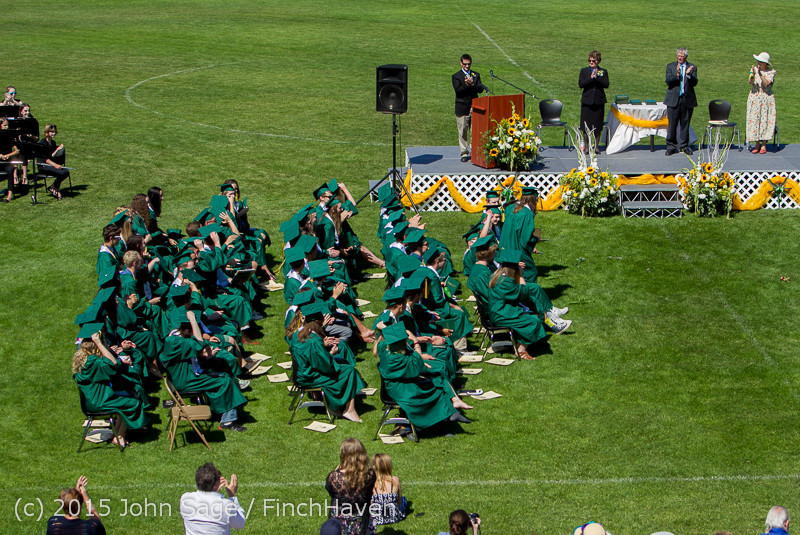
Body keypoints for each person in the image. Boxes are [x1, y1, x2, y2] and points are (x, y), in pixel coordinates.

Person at [325, 438, 377, 535]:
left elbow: (330, 491)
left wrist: (339, 468)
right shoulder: (370, 474)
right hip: (361, 521)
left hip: (338, 520)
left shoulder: (334, 477)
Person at [180, 462, 245, 535]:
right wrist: (232, 496)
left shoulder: (185, 499)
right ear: (216, 484)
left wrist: (213, 491)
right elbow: (240, 524)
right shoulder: (227, 506)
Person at [452, 54, 488, 162]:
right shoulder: (456, 76)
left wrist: (473, 84)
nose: (467, 66)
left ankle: (475, 151)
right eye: (465, 64)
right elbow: (458, 91)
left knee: (475, 130)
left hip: (474, 106)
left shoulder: (475, 75)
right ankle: (464, 152)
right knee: (462, 130)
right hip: (462, 106)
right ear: (461, 63)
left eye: (469, 64)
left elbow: (480, 89)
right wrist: (466, 85)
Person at [664, 47, 698, 156]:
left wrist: (688, 75)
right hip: (674, 99)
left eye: (682, 56)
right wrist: (677, 75)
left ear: (686, 57)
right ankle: (671, 146)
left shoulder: (692, 67)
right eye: (678, 55)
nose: (679, 57)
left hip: (687, 99)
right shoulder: (671, 66)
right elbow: (668, 81)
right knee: (672, 124)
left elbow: (694, 83)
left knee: (685, 124)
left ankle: (684, 146)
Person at [578, 50, 609, 154]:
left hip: (598, 101)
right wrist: (591, 78)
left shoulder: (603, 71)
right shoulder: (584, 71)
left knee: (597, 126)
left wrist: (597, 78)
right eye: (590, 60)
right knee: (585, 126)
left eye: (593, 61)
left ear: (598, 61)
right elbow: (581, 84)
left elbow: (606, 84)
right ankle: (586, 147)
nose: (591, 62)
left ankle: (596, 146)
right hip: (587, 101)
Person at [746, 52, 776, 154]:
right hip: (755, 97)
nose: (758, 63)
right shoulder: (754, 70)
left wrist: (760, 74)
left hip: (766, 97)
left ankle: (764, 144)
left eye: (761, 62)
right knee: (755, 119)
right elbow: (750, 82)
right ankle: (757, 144)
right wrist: (752, 75)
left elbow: (767, 83)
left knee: (765, 120)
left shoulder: (771, 72)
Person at [370, 453, 405, 529]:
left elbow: (369, 503)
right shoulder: (395, 480)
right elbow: (399, 502)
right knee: (404, 500)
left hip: (376, 519)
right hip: (394, 517)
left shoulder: (369, 481)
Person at [37, 123, 71, 199]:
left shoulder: (53, 143)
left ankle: (53, 187)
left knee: (66, 172)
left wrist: (57, 150)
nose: (53, 133)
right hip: (43, 166)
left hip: (50, 164)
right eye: (51, 132)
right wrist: (55, 165)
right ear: (47, 132)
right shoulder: (42, 143)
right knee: (61, 173)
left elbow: (51, 156)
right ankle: (55, 189)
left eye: (54, 132)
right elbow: (45, 159)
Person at [0, 118, 20, 202]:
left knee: (10, 169)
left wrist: (8, 155)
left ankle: (10, 194)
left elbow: (17, 151)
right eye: (4, 125)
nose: (6, 127)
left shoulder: (10, 136)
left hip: (7, 160)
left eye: (7, 125)